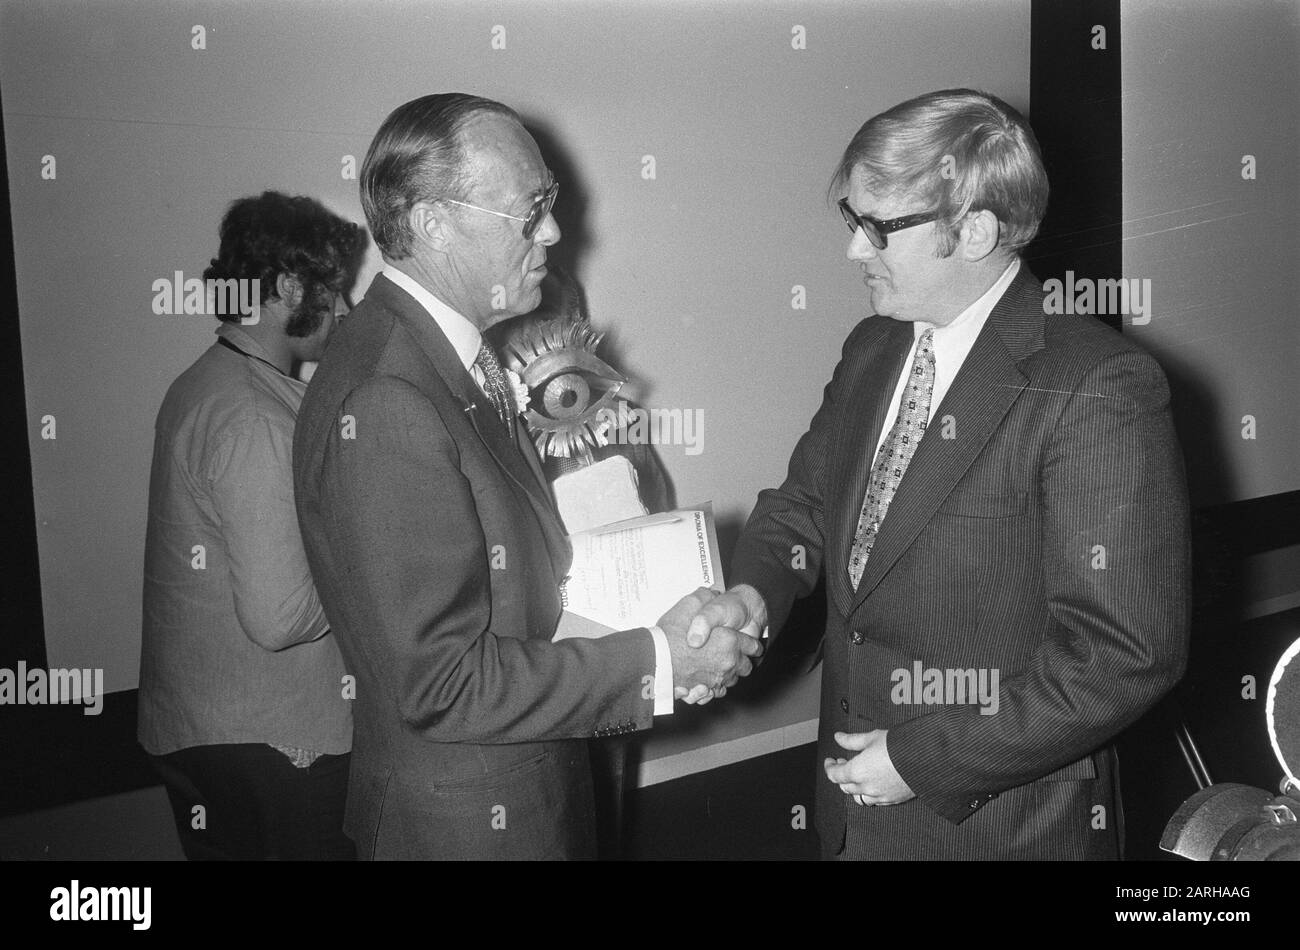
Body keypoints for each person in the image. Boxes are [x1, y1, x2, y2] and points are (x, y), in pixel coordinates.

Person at [694, 89, 1191, 859]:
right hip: (850, 813)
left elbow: (1123, 655)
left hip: (998, 828)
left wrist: (920, 760)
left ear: (977, 231)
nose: (853, 250)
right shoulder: (873, 347)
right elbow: (802, 507)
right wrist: (752, 595)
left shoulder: (1096, 384)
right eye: (850, 220)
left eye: (877, 228)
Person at [292, 93, 760, 860]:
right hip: (472, 822)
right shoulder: (390, 396)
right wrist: (662, 659)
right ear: (431, 222)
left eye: (549, 200)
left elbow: (509, 592)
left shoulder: (434, 358)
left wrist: (649, 629)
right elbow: (442, 682)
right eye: (529, 208)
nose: (552, 231)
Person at [139, 191, 364, 859]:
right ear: (290, 287)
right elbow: (279, 617)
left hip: (207, 734)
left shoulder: (204, 384)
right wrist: (374, 555)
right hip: (272, 747)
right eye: (334, 288)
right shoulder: (255, 417)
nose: (345, 308)